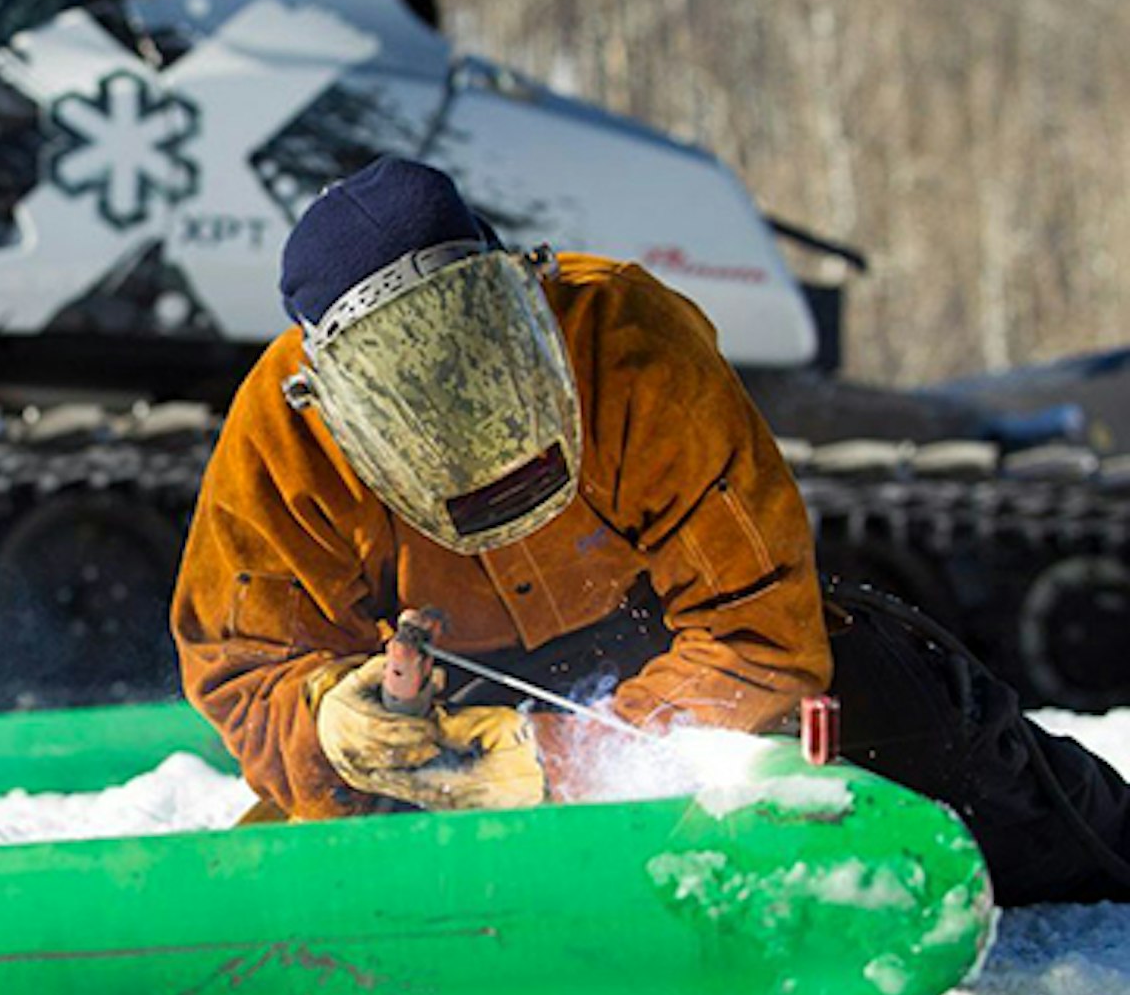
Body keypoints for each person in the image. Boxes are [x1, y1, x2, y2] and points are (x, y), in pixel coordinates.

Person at [171, 155, 1130, 906]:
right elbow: (245, 666)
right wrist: (342, 716)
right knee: (308, 873)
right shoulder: (281, 433)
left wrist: (556, 766)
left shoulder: (627, 336)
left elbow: (757, 631)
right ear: (326, 391)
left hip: (665, 663)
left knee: (926, 731)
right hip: (442, 713)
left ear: (525, 293)